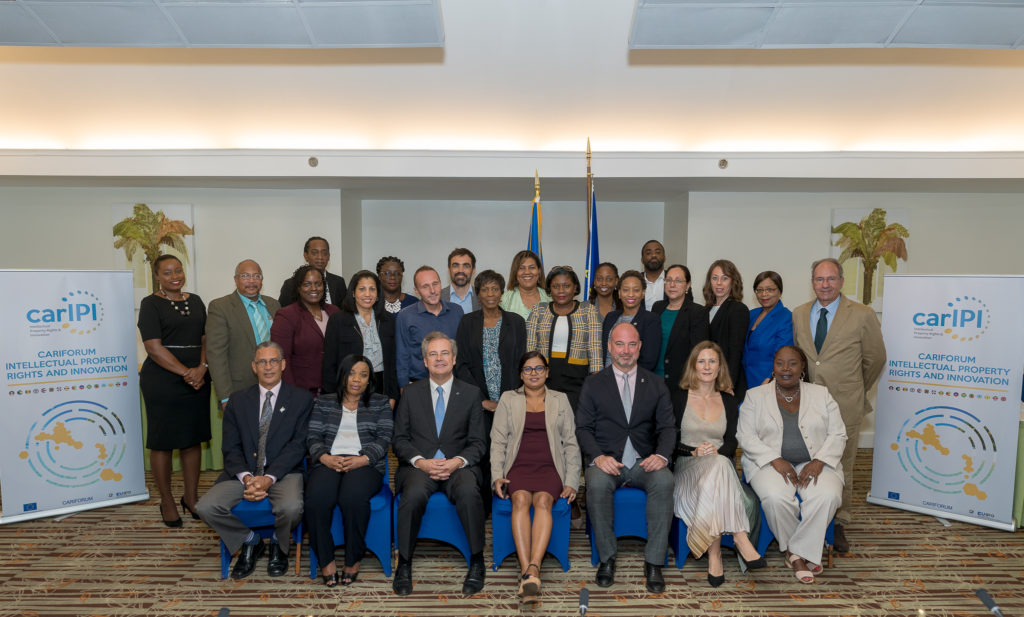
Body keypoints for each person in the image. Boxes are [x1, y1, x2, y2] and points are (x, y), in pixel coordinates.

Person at [195, 342, 313, 579]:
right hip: (243, 474)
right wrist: (247, 478)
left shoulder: (302, 399)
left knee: (291, 507)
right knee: (205, 507)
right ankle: (250, 541)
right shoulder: (237, 400)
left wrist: (268, 478)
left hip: (284, 472)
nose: (268, 367)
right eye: (262, 362)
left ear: (283, 365)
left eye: (273, 361)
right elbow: (230, 447)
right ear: (254, 366)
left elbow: (298, 446)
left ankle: (279, 545)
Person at [792, 258, 885, 553]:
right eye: (819, 279)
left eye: (831, 279)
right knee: (809, 456)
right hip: (807, 404)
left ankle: (839, 521)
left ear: (842, 281)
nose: (825, 285)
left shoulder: (862, 314)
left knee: (842, 462)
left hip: (845, 403)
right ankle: (810, 511)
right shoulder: (799, 313)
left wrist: (856, 388)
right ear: (812, 283)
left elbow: (876, 359)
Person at [575, 323, 675, 593]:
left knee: (665, 481)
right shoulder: (594, 383)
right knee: (596, 484)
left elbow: (668, 427)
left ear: (640, 347)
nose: (626, 350)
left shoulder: (656, 384)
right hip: (607, 460)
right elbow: (582, 428)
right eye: (619, 344)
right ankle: (607, 558)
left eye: (632, 344)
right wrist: (598, 457)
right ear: (610, 347)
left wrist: (661, 456)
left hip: (644, 461)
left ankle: (653, 562)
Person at [737, 345, 847, 583]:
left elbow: (838, 434)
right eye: (780, 363)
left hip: (817, 461)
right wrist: (775, 459)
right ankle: (802, 555)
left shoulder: (821, 394)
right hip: (768, 462)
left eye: (792, 363)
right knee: (776, 498)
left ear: (802, 367)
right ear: (773, 367)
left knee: (827, 496)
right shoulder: (755, 396)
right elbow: (745, 437)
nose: (785, 369)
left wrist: (819, 461)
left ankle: (795, 552)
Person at [392, 332, 488, 596]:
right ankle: (404, 563)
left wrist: (457, 462)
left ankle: (477, 559)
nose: (439, 358)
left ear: (454, 358)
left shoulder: (471, 393)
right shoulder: (410, 393)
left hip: (457, 466)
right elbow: (399, 439)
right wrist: (421, 462)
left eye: (444, 353)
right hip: (419, 467)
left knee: (468, 492)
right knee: (412, 495)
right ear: (424, 361)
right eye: (432, 354)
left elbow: (478, 442)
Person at [671, 341, 765, 588]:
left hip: (718, 469)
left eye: (712, 361)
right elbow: (668, 440)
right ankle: (740, 537)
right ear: (693, 365)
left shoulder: (729, 401)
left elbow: (732, 441)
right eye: (701, 361)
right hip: (687, 466)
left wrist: (718, 451)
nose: (706, 366)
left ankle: (715, 555)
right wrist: (692, 450)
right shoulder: (678, 397)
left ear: (719, 367)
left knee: (720, 463)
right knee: (720, 465)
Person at [490, 351, 580, 600]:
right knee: (520, 500)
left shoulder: (560, 399)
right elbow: (497, 442)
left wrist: (572, 481)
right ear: (521, 374)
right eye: (528, 369)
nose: (533, 373)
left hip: (550, 466)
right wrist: (497, 475)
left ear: (547, 372)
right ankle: (527, 572)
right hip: (518, 465)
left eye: (539, 368)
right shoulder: (508, 399)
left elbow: (571, 443)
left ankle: (533, 568)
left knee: (542, 501)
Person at [305, 354, 393, 587]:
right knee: (316, 499)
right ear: (343, 375)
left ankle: (353, 559)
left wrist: (363, 459)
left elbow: (385, 437)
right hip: (329, 460)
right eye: (352, 373)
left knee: (352, 498)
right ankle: (326, 560)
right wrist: (325, 457)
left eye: (363, 375)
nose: (356, 379)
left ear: (369, 380)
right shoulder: (324, 402)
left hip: (364, 463)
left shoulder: (380, 402)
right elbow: (312, 436)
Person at [138, 254, 211, 527]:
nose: (174, 276)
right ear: (157, 276)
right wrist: (186, 373)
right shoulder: (150, 304)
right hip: (163, 379)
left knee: (193, 438)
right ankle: (167, 500)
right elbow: (153, 347)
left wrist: (202, 367)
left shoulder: (196, 300)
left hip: (198, 377)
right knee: (163, 441)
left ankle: (191, 497)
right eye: (167, 272)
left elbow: (206, 338)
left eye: (178, 270)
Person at [525, 266, 603, 411]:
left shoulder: (588, 311)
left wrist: (597, 386)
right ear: (549, 289)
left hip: (577, 383)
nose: (561, 291)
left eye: (566, 286)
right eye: (556, 286)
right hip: (543, 382)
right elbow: (530, 350)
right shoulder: (539, 311)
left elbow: (595, 351)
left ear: (575, 288)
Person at [206, 259, 280, 409]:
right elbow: (216, 355)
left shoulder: (274, 305)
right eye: (245, 276)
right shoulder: (220, 307)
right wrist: (225, 397)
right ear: (236, 279)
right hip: (239, 389)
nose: (251, 281)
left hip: (274, 385)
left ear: (262, 280)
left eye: (256, 276)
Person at [321, 270, 398, 403]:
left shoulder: (387, 320)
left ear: (378, 294)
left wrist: (392, 396)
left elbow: (393, 362)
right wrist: (334, 396)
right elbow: (329, 363)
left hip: (381, 387)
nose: (367, 294)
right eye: (362, 289)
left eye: (372, 289)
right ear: (353, 293)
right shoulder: (338, 320)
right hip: (350, 386)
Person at [271, 266, 339, 395]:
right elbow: (281, 358)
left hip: (334, 390)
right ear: (298, 287)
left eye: (318, 284)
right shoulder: (286, 315)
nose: (314, 288)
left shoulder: (334, 311)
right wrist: (292, 394)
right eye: (307, 284)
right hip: (302, 391)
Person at [395, 266, 464, 387]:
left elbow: (463, 352)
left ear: (441, 284)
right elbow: (402, 356)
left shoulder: (457, 311)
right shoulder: (405, 316)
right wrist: (403, 387)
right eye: (425, 286)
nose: (432, 290)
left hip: (452, 384)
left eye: (435, 284)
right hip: (417, 384)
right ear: (416, 291)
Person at [651, 264, 709, 389]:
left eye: (678, 281)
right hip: (653, 379)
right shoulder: (657, 307)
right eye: (668, 280)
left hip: (681, 381)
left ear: (687, 285)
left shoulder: (697, 312)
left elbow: (697, 352)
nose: (672, 285)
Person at [702, 259, 750, 400]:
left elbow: (736, 350)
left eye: (724, 278)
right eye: (714, 278)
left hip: (726, 382)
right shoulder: (705, 310)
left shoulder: (738, 309)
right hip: (706, 380)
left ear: (733, 281)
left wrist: (728, 383)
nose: (719, 283)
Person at [600, 269, 661, 372]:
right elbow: (604, 352)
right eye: (625, 290)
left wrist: (624, 377)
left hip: (634, 379)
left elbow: (649, 361)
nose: (631, 294)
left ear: (643, 293)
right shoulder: (610, 317)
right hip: (607, 378)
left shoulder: (651, 320)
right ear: (619, 293)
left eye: (636, 290)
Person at [742, 271, 793, 389]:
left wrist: (770, 378)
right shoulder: (751, 314)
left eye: (770, 289)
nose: (764, 294)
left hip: (767, 382)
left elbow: (782, 356)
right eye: (759, 290)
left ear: (780, 291)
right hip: (743, 381)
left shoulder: (786, 317)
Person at [278, 236, 347, 307]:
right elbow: (283, 311)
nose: (320, 257)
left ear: (329, 256)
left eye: (324, 253)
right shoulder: (291, 284)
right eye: (315, 253)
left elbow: (345, 310)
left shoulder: (339, 282)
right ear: (306, 256)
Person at [500, 250, 551, 320]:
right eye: (521, 268)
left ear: (539, 271)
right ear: (515, 272)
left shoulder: (550, 298)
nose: (527, 272)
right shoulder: (504, 300)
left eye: (532, 267)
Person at [442, 248, 481, 314]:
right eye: (455, 266)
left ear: (473, 270)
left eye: (466, 266)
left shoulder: (482, 297)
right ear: (449, 269)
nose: (460, 270)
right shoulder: (438, 297)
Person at [641, 240, 667, 310]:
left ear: (664, 257)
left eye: (658, 252)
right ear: (642, 259)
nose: (653, 255)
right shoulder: (636, 280)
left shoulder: (675, 280)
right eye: (648, 253)